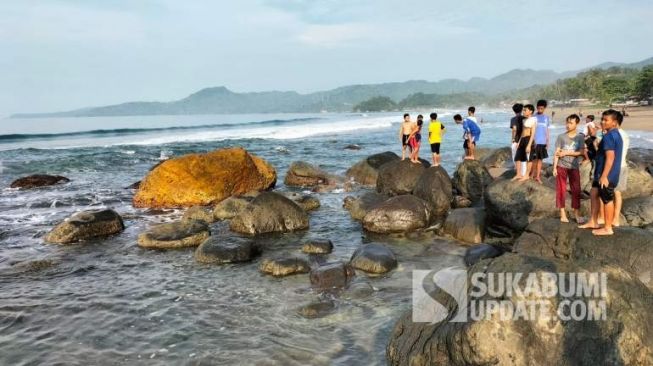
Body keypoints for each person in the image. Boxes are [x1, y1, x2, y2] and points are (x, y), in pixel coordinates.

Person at [579, 109, 623, 236]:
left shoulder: (610, 136)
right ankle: (593, 221)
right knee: (593, 192)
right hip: (601, 172)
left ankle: (608, 228)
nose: (602, 122)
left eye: (606, 120)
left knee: (607, 199)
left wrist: (604, 176)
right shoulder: (613, 134)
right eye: (602, 119)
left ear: (614, 122)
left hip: (607, 174)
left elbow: (610, 157)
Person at [553, 114, 585, 223]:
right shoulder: (561, 137)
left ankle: (576, 213)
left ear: (577, 123)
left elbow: (581, 152)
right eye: (567, 122)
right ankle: (562, 213)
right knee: (561, 190)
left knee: (576, 190)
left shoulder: (580, 137)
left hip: (574, 167)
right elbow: (557, 153)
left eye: (571, 123)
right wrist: (554, 168)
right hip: (561, 166)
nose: (568, 125)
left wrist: (567, 152)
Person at [512, 104, 536, 181]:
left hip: (529, 139)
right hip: (522, 139)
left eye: (525, 110)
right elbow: (523, 132)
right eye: (523, 110)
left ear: (531, 111)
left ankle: (526, 175)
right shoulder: (524, 120)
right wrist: (518, 142)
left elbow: (533, 133)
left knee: (529, 158)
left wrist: (529, 145)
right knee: (517, 157)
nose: (524, 111)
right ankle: (518, 174)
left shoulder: (533, 120)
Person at [613, 112, 629, 227]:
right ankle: (615, 218)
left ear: (614, 121)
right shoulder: (624, 134)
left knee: (615, 193)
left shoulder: (616, 135)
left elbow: (611, 154)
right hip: (622, 165)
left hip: (616, 167)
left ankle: (615, 219)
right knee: (617, 193)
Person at [530, 99, 550, 183]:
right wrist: (533, 141)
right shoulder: (533, 117)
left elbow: (547, 130)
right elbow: (531, 130)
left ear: (544, 108)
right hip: (535, 142)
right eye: (538, 108)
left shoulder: (546, 118)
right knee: (533, 160)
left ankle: (538, 176)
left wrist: (548, 142)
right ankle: (531, 175)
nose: (540, 110)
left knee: (540, 160)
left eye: (541, 108)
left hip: (543, 142)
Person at [510, 103, 527, 176]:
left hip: (516, 140)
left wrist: (513, 139)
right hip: (524, 140)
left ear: (514, 111)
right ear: (521, 110)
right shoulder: (525, 118)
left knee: (515, 156)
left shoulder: (513, 119)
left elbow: (514, 129)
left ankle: (518, 171)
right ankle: (524, 173)